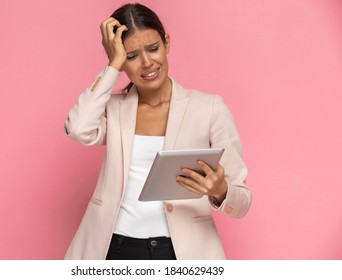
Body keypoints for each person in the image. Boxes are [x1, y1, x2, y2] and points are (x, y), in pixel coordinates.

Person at [64, 3, 251, 260]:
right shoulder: (114, 109)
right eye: (131, 56)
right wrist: (112, 65)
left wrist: (220, 191)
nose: (146, 63)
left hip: (182, 253)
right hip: (114, 248)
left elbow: (242, 202)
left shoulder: (209, 108)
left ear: (167, 44)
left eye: (153, 49)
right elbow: (77, 129)